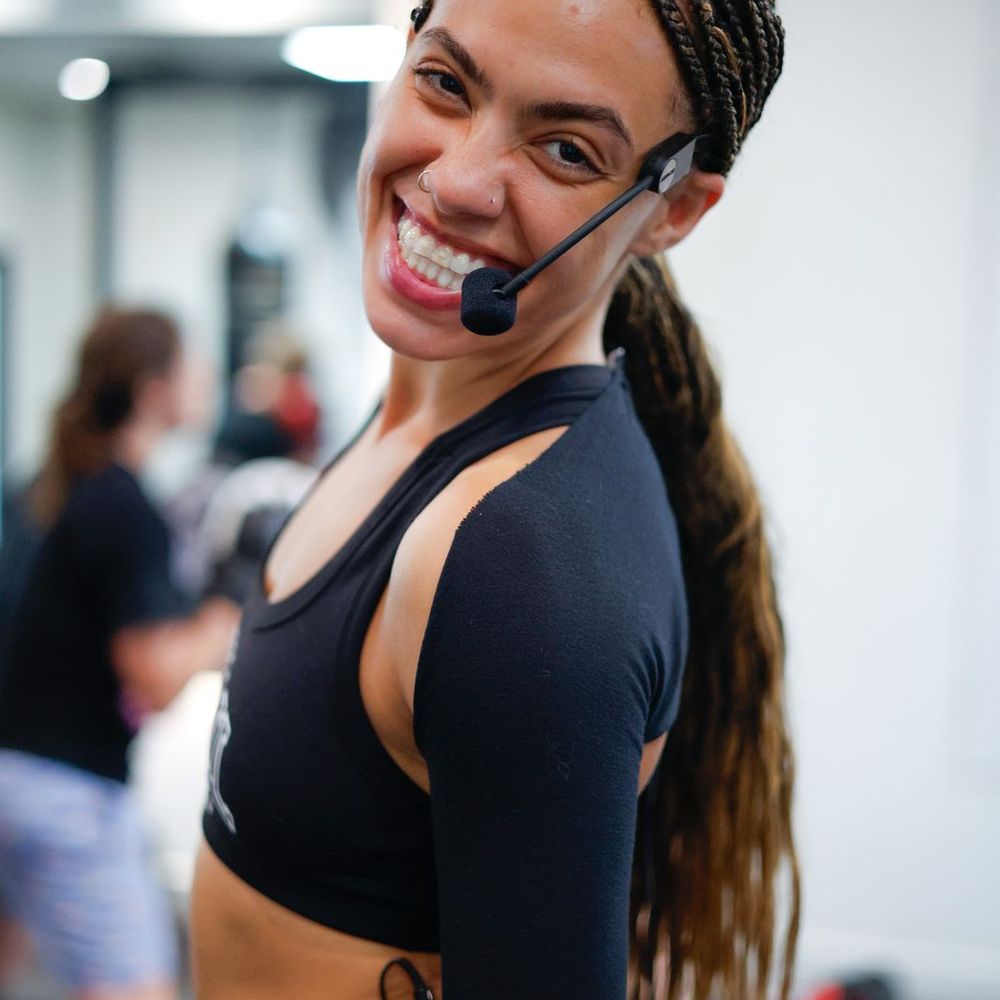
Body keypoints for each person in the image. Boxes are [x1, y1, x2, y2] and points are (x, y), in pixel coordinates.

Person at [190, 1, 799, 998]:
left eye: (564, 150)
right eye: (445, 83)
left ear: (672, 209)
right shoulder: (423, 411)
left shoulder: (514, 565)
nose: (456, 181)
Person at [0, 308, 240, 1000]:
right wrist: (222, 629)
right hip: (66, 794)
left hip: (19, 776)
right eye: (190, 365)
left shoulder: (55, 488)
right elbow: (151, 677)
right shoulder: (121, 506)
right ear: (153, 388)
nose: (205, 378)